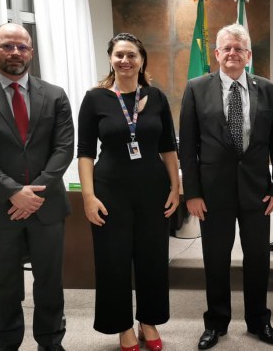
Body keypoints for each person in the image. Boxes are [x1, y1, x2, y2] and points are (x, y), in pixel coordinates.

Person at [0, 23, 74, 351]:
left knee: (49, 280)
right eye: (7, 46)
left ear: (31, 52)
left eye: (22, 47)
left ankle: (51, 341)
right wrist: (12, 191)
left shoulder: (55, 94)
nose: (15, 52)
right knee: (3, 283)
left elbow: (64, 148)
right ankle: (6, 343)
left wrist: (33, 193)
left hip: (45, 205)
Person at [179, 24, 273, 349]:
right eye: (226, 48)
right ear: (216, 54)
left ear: (248, 55)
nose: (232, 54)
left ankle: (258, 321)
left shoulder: (268, 90)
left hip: (258, 193)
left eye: (239, 48)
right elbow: (188, 147)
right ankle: (216, 323)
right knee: (215, 258)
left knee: (258, 259)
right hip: (212, 194)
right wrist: (193, 193)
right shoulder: (196, 88)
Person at [77, 33, 179, 351]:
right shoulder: (95, 99)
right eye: (119, 54)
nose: (125, 60)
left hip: (153, 189)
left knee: (152, 258)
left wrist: (176, 186)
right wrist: (88, 196)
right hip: (110, 191)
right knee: (114, 260)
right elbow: (84, 153)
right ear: (110, 58)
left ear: (141, 59)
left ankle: (147, 321)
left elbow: (168, 147)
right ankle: (122, 326)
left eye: (131, 55)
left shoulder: (157, 97)